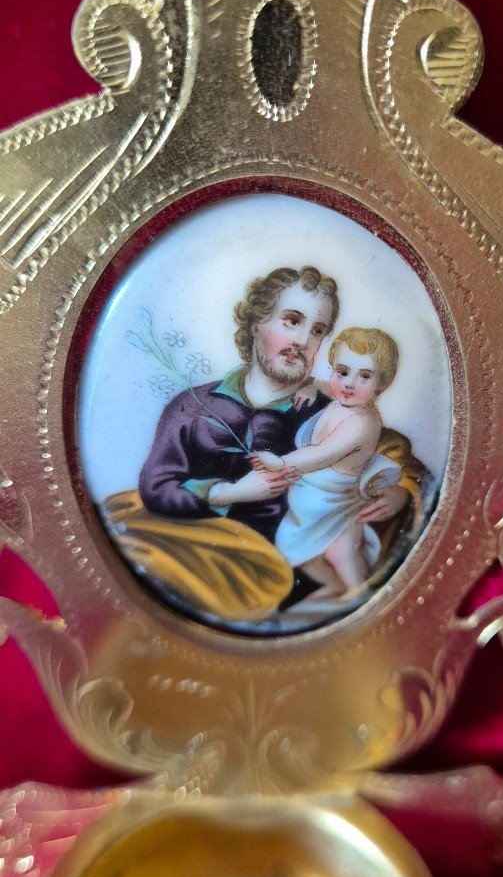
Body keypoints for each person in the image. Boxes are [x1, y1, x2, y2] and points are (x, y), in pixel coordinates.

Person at [103, 266, 427, 624]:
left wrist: (401, 492)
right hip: (210, 562)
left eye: (317, 331)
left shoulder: (334, 407)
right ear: (256, 323)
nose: (303, 341)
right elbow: (157, 486)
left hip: (304, 570)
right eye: (291, 321)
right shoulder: (192, 408)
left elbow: (396, 455)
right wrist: (228, 493)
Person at [252, 327, 401, 601]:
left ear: (382, 384)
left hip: (331, 502)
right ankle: (333, 586)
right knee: (298, 551)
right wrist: (311, 386)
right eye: (342, 372)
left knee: (341, 552)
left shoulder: (361, 422)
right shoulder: (346, 399)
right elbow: (325, 384)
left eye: (364, 376)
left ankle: (361, 597)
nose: (349, 383)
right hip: (308, 499)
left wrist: (281, 462)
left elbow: (322, 454)